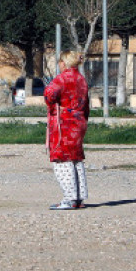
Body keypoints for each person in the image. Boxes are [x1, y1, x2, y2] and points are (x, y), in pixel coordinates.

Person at [44, 50, 90, 210]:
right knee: (76, 159)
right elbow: (87, 103)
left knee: (62, 159)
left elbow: (49, 94)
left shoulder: (63, 78)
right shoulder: (82, 79)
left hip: (64, 123)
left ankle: (69, 198)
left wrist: (54, 107)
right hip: (79, 121)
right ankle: (79, 197)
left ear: (64, 63)